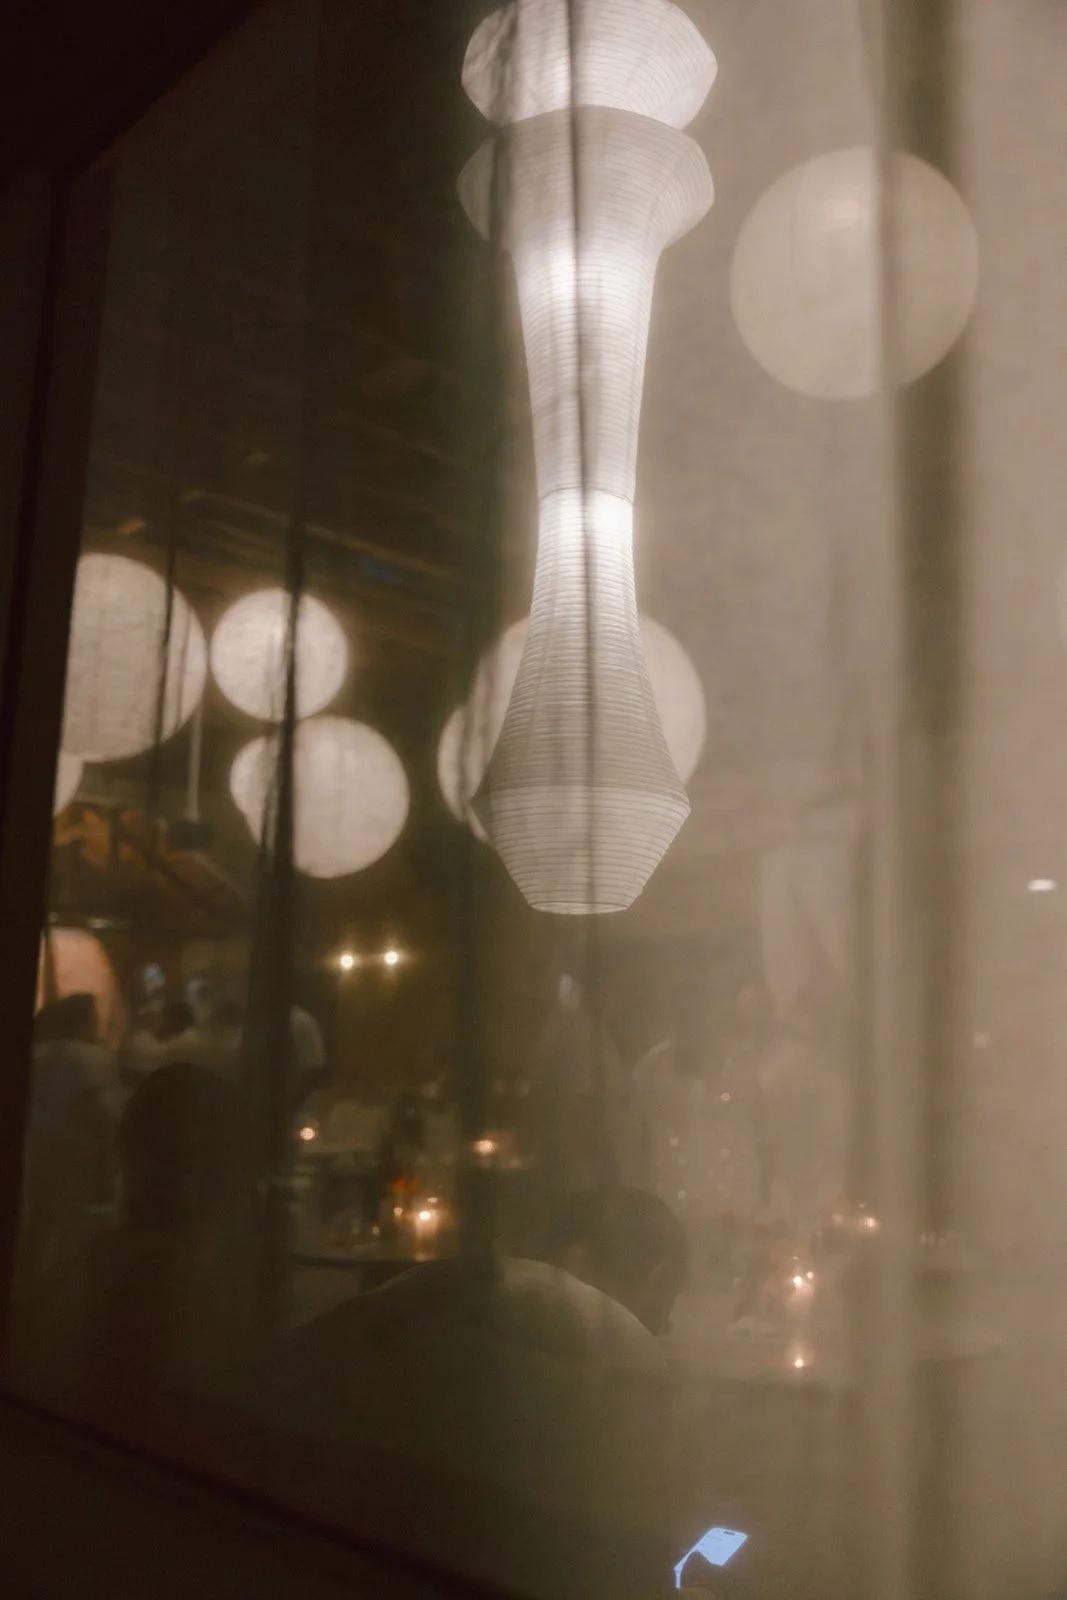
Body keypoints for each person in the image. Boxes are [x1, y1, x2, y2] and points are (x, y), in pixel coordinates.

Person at [266, 1188, 685, 1600]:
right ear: (658, 1279)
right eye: (663, 1315)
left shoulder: (435, 1285)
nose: (660, 1330)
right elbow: (638, 1573)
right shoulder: (619, 1346)